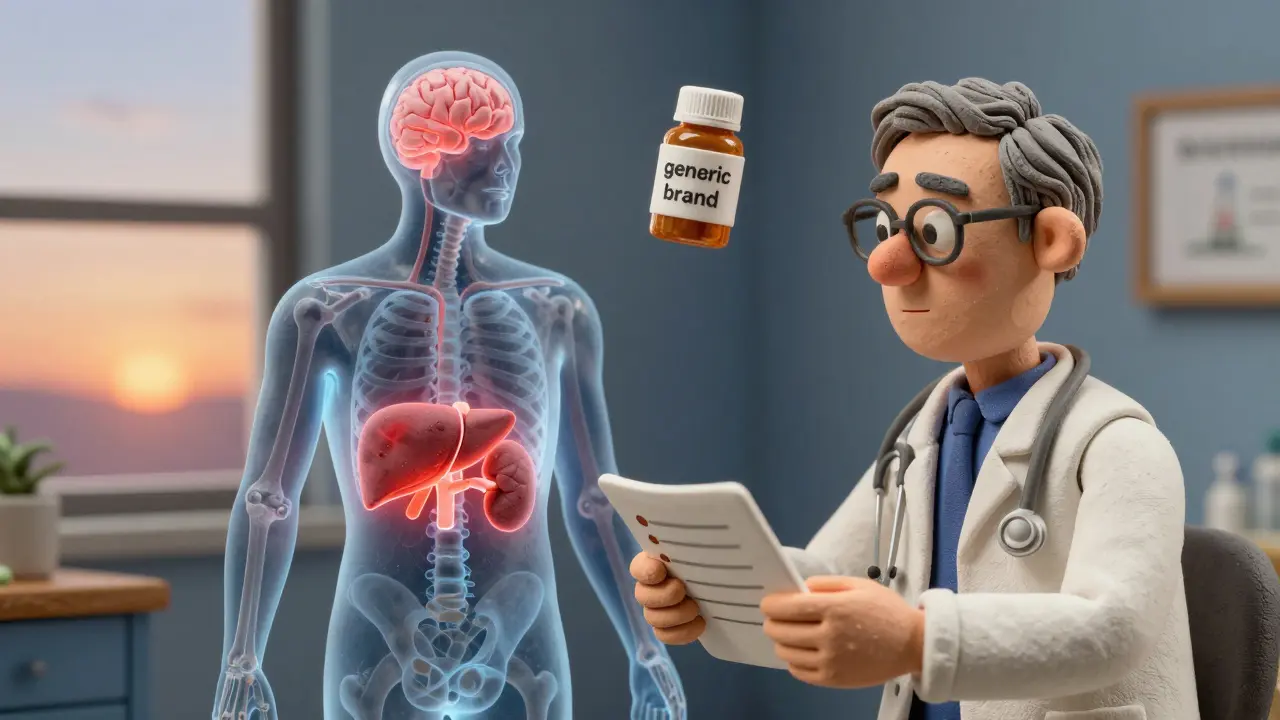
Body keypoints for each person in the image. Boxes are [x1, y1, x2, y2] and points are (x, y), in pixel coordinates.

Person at [629, 78, 1198, 719]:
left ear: (1050, 241)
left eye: (933, 229)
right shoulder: (918, 441)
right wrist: (708, 591)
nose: (888, 264)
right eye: (884, 226)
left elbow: (1113, 628)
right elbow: (821, 575)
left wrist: (917, 639)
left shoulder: (1119, 446)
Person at [212, 52, 685, 720]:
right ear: (424, 157)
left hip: (518, 608)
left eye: (513, 148)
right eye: (482, 151)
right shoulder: (327, 307)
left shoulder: (556, 306)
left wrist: (647, 649)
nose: (506, 169)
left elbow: (593, 498)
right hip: (379, 611)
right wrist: (242, 660)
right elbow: (270, 497)